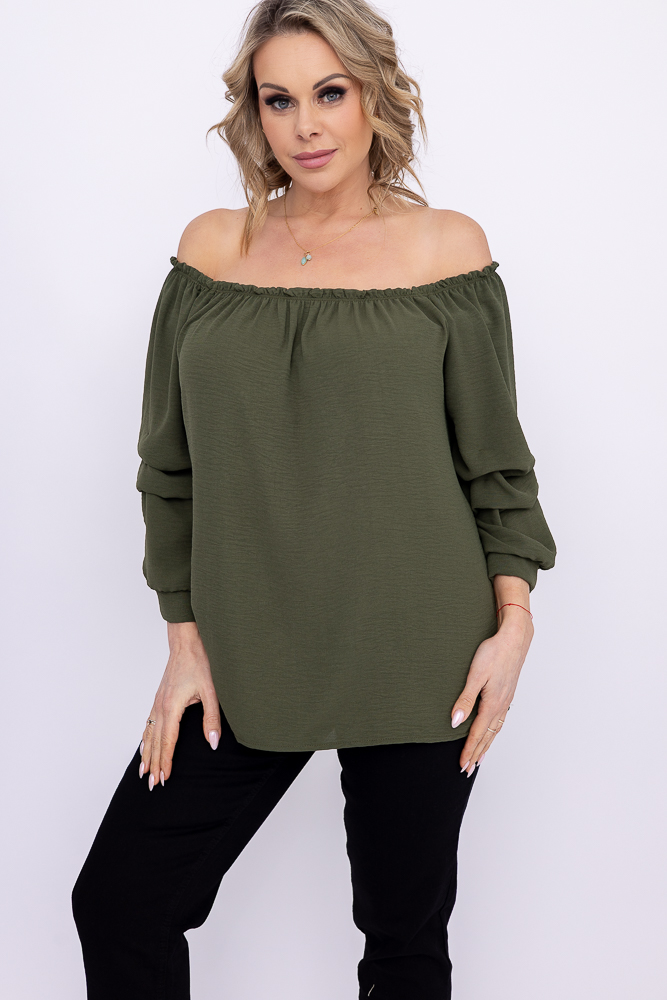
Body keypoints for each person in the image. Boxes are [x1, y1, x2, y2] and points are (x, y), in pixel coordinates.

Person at [71, 0, 556, 997]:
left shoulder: (446, 250)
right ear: (254, 113)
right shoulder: (210, 252)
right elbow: (168, 466)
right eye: (278, 99)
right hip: (246, 649)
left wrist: (512, 624)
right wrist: (185, 638)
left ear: (374, 94)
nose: (306, 125)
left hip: (422, 651)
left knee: (403, 944)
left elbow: (495, 465)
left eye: (330, 93)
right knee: (120, 900)